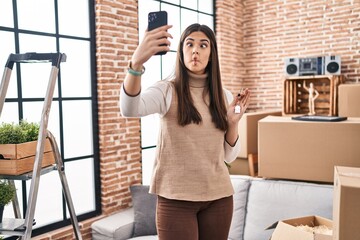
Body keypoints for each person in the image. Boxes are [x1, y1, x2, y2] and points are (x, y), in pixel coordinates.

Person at [120, 23, 250, 240]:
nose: (195, 50)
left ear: (212, 53)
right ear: (181, 52)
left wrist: (233, 123)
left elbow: (229, 156)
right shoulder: (166, 90)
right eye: (189, 44)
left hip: (219, 198)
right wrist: (136, 64)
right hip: (175, 200)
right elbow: (129, 109)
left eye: (203, 45)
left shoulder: (224, 96)